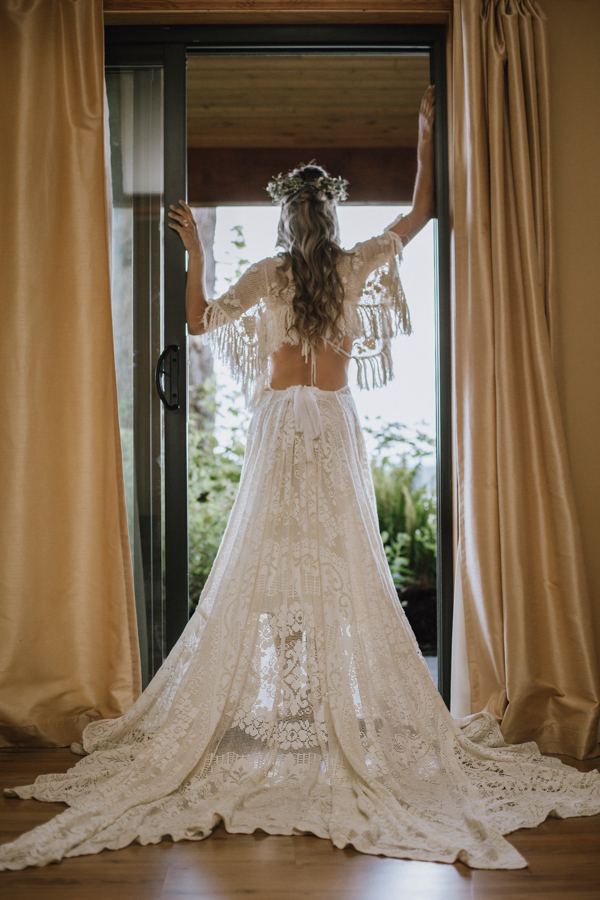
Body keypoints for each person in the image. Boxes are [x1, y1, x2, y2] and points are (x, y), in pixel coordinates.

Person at [1, 86, 599, 873]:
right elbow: (419, 216)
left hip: (288, 426)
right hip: (331, 425)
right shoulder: (349, 266)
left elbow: (200, 321)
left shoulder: (272, 273)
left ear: (290, 220)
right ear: (330, 219)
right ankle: (311, 712)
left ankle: (301, 709)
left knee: (278, 565)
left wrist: (197, 255)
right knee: (335, 565)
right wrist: (425, 136)